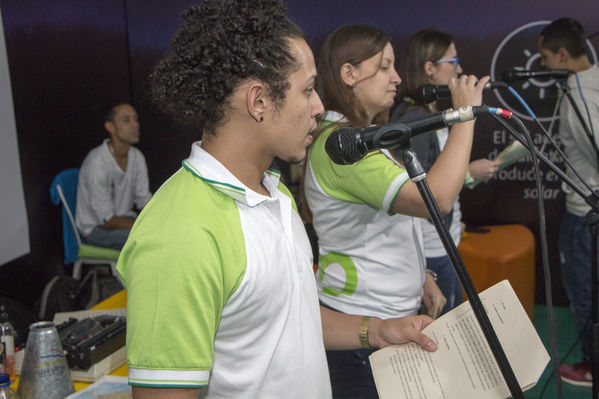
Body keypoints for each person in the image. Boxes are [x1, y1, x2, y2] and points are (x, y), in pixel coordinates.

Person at [116, 2, 439, 398]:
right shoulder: (180, 233)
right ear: (259, 101)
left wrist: (376, 329)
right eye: (307, 90)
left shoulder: (275, 192)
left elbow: (289, 319)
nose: (320, 106)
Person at [303, 24, 489, 398]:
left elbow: (388, 224)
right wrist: (463, 116)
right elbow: (436, 201)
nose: (398, 78)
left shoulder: (364, 137)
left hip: (384, 317)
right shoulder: (342, 144)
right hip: (361, 326)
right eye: (385, 66)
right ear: (349, 74)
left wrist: (421, 276)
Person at [390, 28, 501, 316]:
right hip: (432, 251)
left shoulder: (428, 116)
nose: (460, 69)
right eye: (453, 63)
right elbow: (422, 193)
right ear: (430, 68)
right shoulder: (415, 121)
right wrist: (467, 172)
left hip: (441, 241)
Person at [538, 17, 598, 387]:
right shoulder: (590, 82)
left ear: (563, 54)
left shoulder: (578, 93)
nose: (542, 66)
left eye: (545, 57)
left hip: (586, 216)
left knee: (586, 298)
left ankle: (593, 367)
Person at [75, 102, 152, 250]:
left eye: (136, 119)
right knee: (147, 240)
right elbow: (106, 220)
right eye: (126, 120)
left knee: (161, 232)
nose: (135, 125)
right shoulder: (97, 162)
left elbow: (143, 199)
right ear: (110, 127)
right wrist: (144, 226)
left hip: (125, 221)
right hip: (96, 230)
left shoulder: (136, 157)